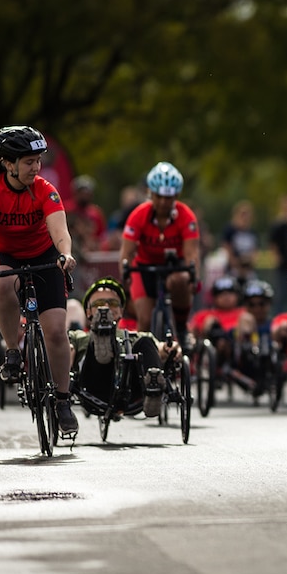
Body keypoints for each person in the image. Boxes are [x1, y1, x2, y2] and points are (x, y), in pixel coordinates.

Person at [0, 125, 79, 436]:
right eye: (29, 161)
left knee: (57, 332)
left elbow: (60, 230)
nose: (36, 167)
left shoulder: (45, 189)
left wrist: (65, 253)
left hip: (44, 254)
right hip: (5, 255)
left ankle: (62, 399)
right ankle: (13, 349)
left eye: (38, 160)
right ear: (9, 163)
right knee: (0, 281)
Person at [68, 277, 178, 419]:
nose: (106, 307)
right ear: (88, 312)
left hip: (132, 389)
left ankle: (153, 386)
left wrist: (171, 348)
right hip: (91, 388)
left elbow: (161, 349)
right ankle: (102, 334)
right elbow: (67, 354)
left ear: (121, 310)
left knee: (146, 341)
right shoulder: (78, 336)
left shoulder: (136, 336)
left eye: (113, 303)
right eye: (100, 304)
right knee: (86, 343)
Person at [119, 162, 201, 341]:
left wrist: (193, 278)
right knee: (145, 321)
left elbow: (191, 253)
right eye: (159, 196)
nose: (164, 202)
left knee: (181, 280)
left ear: (176, 196)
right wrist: (125, 275)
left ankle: (181, 328)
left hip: (174, 266)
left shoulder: (186, 216)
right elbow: (127, 252)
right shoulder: (138, 215)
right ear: (150, 193)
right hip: (144, 266)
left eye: (169, 197)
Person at [267, 195, 287, 313]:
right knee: (281, 294)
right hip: (283, 264)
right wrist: (276, 257)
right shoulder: (278, 225)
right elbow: (272, 243)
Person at [65, 174, 107, 254]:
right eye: (82, 192)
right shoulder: (67, 209)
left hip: (92, 250)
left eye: (87, 192)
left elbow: (101, 236)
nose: (85, 195)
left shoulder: (96, 213)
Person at [223, 199, 260, 282]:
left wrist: (250, 262)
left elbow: (255, 251)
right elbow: (227, 248)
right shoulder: (230, 231)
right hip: (234, 269)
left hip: (248, 269)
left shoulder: (252, 232)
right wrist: (236, 264)